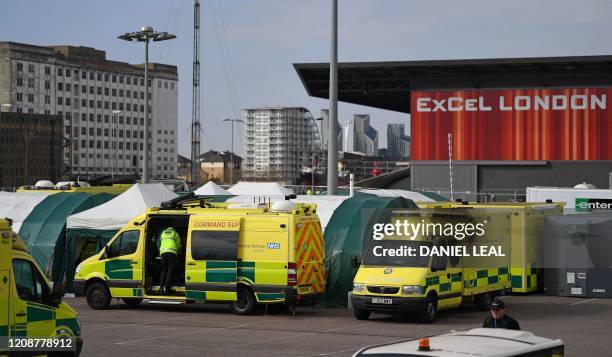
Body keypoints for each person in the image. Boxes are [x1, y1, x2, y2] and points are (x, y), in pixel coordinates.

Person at [159, 227, 182, 295]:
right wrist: (178, 251)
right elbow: (178, 245)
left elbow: (160, 243)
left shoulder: (163, 233)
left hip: (163, 253)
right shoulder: (175, 233)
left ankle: (161, 288)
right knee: (170, 270)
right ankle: (167, 288)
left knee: (163, 270)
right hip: (172, 253)